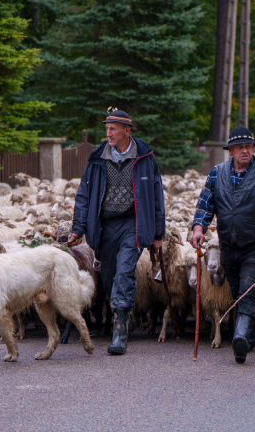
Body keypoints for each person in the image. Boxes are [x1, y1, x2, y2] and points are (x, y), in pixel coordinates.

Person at [190, 126, 255, 364]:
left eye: (249, 146)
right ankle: (249, 334)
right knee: (236, 290)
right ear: (231, 150)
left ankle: (241, 338)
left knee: (247, 288)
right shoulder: (217, 173)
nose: (245, 150)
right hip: (228, 244)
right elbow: (205, 205)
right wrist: (198, 228)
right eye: (240, 147)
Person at [69, 110, 165, 356]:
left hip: (133, 223)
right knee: (110, 277)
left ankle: (119, 333)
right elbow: (84, 194)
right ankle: (124, 315)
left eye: (113, 129)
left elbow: (156, 196)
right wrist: (78, 227)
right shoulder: (97, 158)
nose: (108, 133)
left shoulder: (144, 157)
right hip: (104, 226)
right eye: (107, 128)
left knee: (124, 273)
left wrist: (158, 233)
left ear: (126, 130)